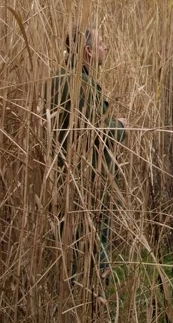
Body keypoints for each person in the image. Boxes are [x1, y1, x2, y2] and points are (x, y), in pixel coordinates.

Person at [50, 26, 127, 281]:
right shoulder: (78, 83)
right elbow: (97, 132)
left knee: (74, 234)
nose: (106, 48)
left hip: (69, 172)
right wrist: (121, 127)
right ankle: (93, 295)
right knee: (92, 235)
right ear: (89, 51)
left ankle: (80, 286)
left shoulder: (63, 77)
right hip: (88, 176)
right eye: (102, 44)